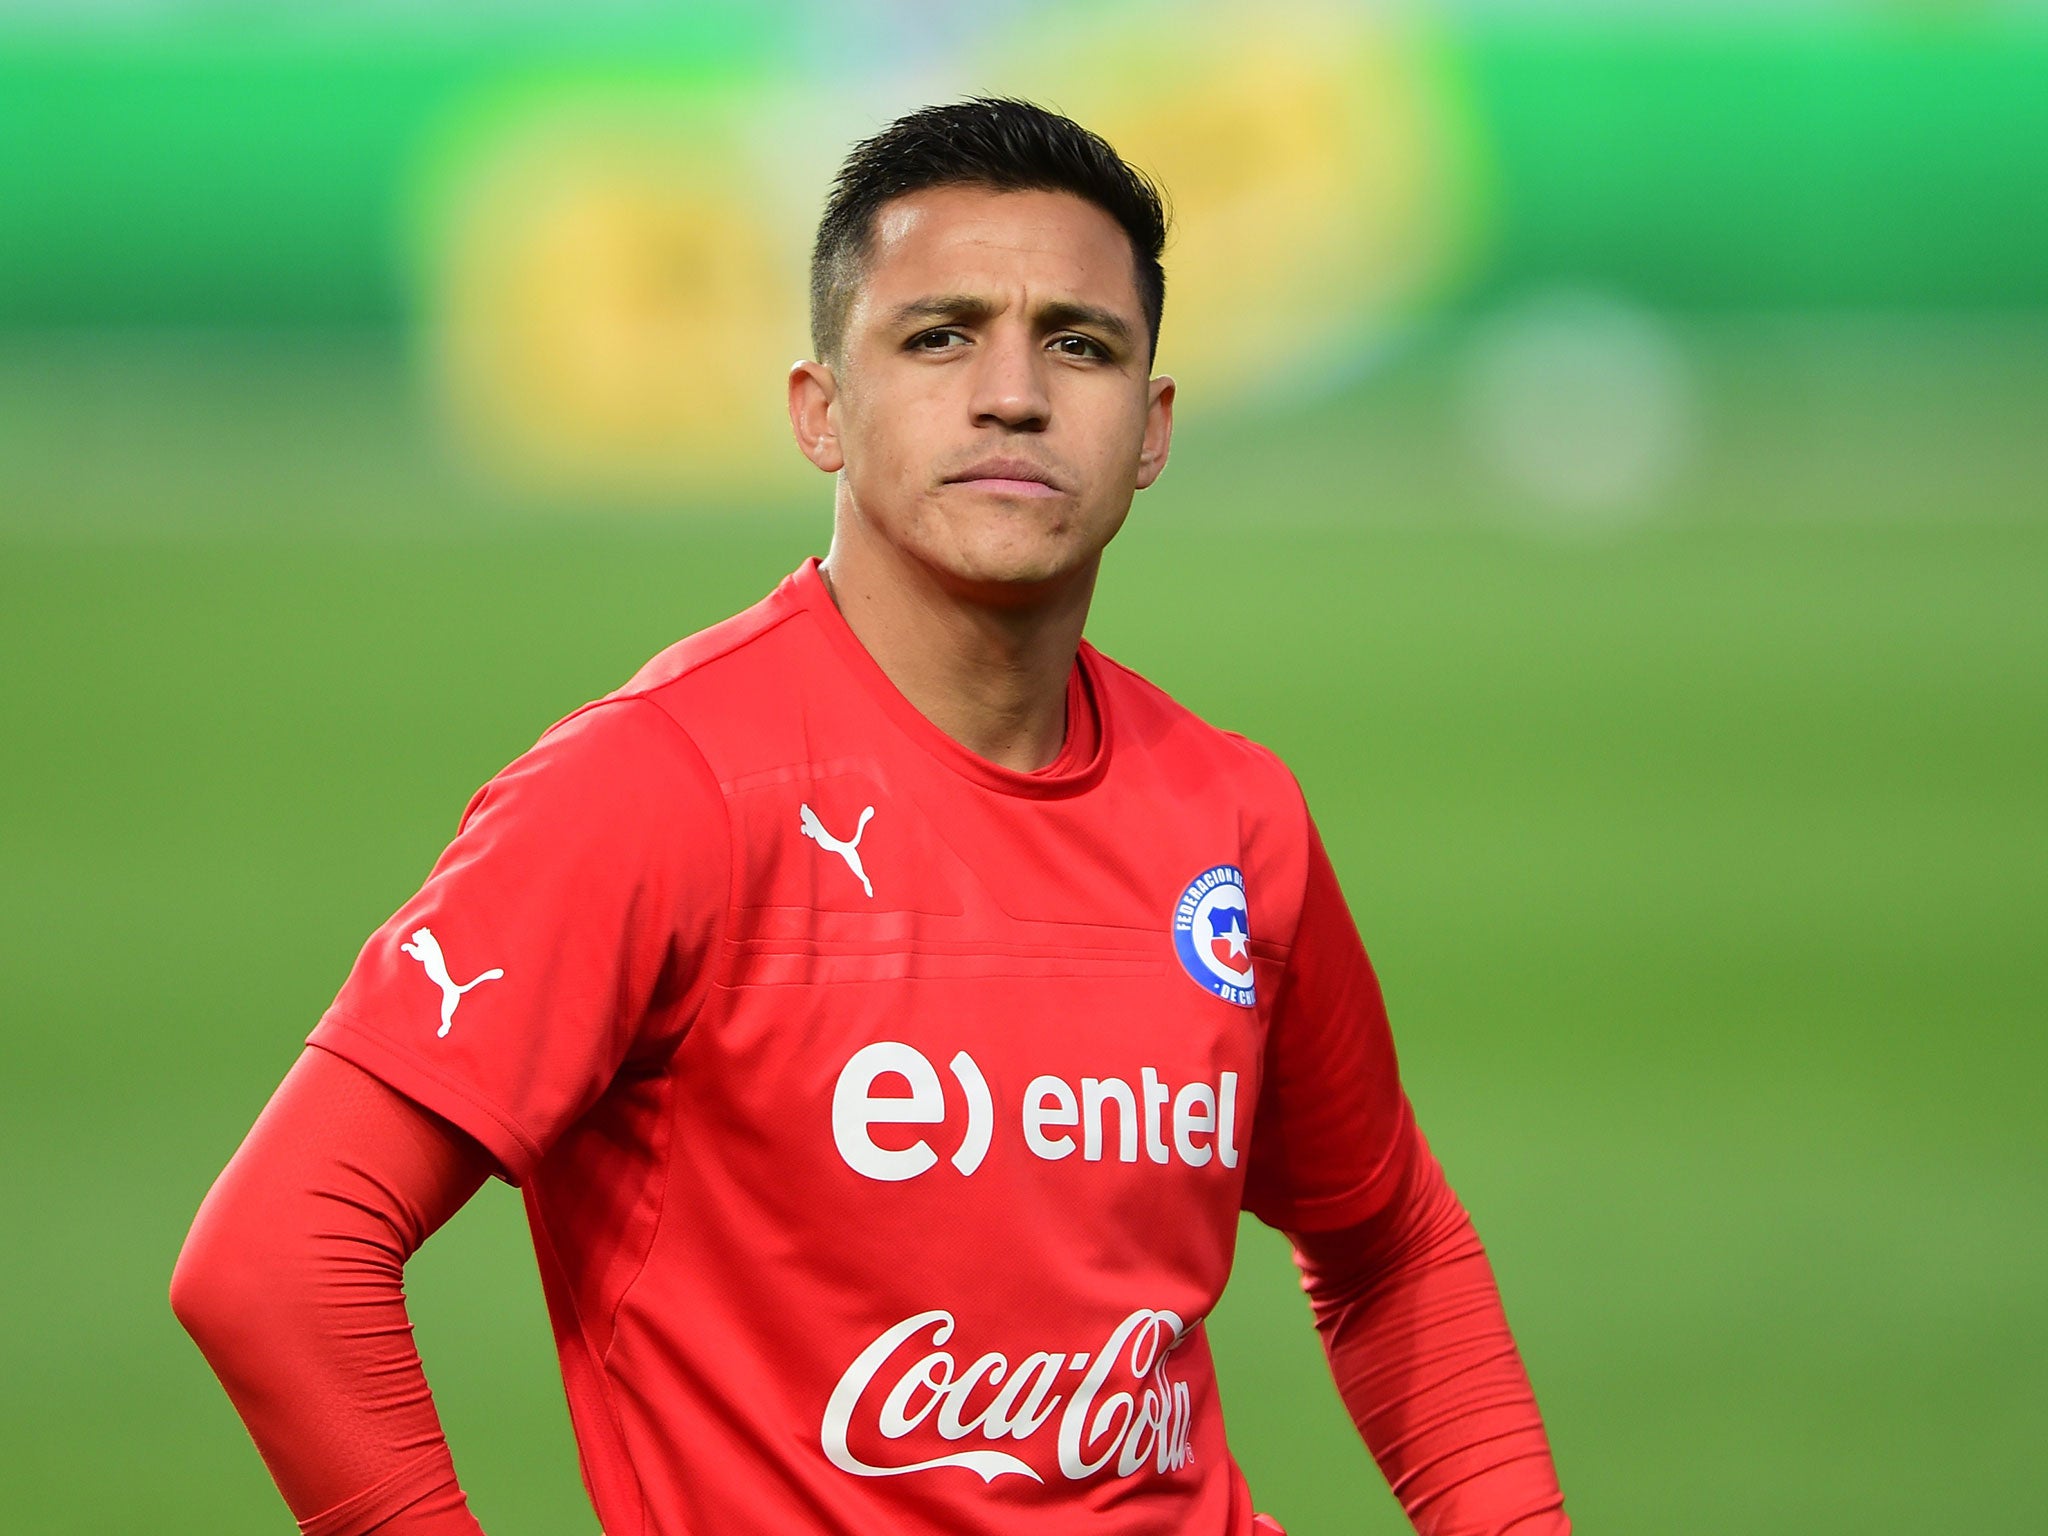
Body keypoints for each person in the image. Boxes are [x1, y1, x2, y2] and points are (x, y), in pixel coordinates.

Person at [172, 96, 1571, 1536]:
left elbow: (1387, 1236)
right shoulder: (661, 789)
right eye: (940, 335)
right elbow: (279, 1259)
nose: (1013, 393)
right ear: (819, 409)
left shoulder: (1234, 816)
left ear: (1150, 429)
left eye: (1077, 343)